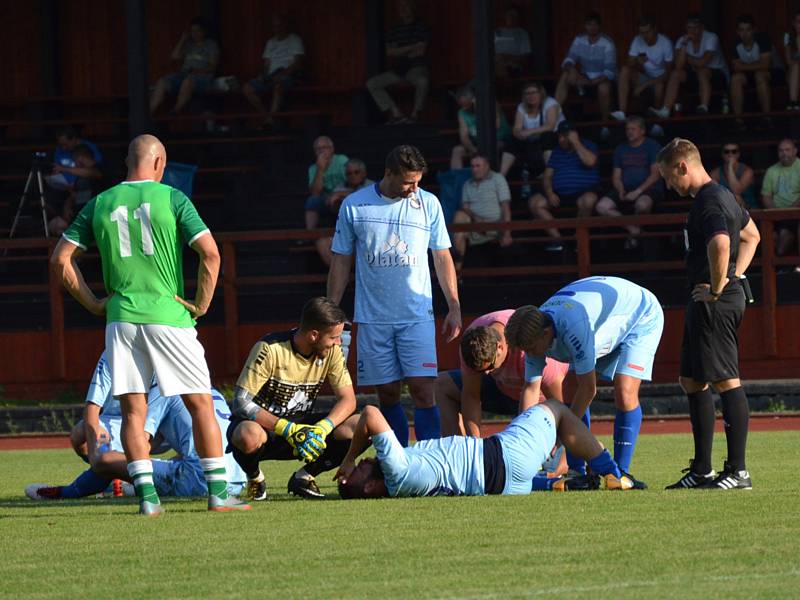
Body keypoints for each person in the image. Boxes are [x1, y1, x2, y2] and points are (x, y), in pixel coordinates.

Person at [50, 134, 248, 515]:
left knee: (133, 413)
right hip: (168, 316)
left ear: (128, 162)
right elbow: (210, 253)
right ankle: (219, 496)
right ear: (160, 163)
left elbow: (61, 260)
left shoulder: (99, 202)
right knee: (200, 404)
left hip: (121, 319)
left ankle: (147, 500)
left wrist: (93, 303)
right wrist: (201, 304)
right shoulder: (173, 198)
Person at [327, 145, 461, 446]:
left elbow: (442, 256)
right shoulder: (354, 205)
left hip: (417, 316)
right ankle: (397, 464)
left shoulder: (429, 203)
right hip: (373, 318)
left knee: (424, 391)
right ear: (389, 173)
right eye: (408, 182)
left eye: (418, 181)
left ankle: (430, 464)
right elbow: (340, 260)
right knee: (387, 393)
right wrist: (331, 312)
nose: (415, 189)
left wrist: (454, 305)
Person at [657, 138, 761, 490]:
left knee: (725, 379)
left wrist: (719, 286)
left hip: (714, 298)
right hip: (707, 296)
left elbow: (722, 242)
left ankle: (738, 471)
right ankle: (702, 470)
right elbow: (752, 235)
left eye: (669, 176)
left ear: (683, 166)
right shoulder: (722, 196)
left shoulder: (710, 200)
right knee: (691, 380)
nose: (669, 185)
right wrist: (736, 275)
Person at [504, 275, 665, 487]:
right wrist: (525, 438)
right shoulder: (535, 332)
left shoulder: (573, 327)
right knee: (570, 389)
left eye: (532, 349)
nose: (531, 354)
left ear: (546, 333)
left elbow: (589, 390)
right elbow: (531, 388)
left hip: (640, 315)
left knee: (624, 391)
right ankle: (577, 472)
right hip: (603, 322)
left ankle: (620, 473)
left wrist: (561, 435)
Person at [26, 354, 246, 500]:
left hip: (199, 481)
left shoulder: (164, 387)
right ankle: (128, 482)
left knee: (106, 460)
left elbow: (142, 442)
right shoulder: (201, 383)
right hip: (238, 480)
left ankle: (65, 493)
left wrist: (112, 462)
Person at [336, 401, 639, 498]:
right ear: (371, 487)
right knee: (555, 409)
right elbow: (371, 413)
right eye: (362, 468)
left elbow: (352, 426)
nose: (365, 460)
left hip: (508, 486)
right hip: (504, 457)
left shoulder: (398, 480)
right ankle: (612, 473)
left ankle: (554, 483)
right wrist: (349, 459)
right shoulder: (396, 472)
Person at [227, 297, 360, 500]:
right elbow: (241, 402)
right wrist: (288, 429)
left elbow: (348, 400)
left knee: (359, 424)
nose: (338, 342)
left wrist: (323, 427)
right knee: (247, 434)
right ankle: (255, 478)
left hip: (306, 431)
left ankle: (304, 477)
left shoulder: (332, 352)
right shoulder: (270, 348)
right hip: (267, 429)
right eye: (334, 337)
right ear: (314, 335)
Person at [436, 309, 570, 438]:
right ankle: (460, 454)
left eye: (491, 366)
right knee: (441, 385)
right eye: (480, 371)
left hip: (539, 398)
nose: (487, 373)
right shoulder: (471, 344)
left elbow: (561, 406)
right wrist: (475, 444)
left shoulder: (530, 347)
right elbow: (471, 395)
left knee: (551, 449)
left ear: (500, 347)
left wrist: (559, 451)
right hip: (502, 390)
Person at [528, 121, 600, 252]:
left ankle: (579, 239)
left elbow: (590, 162)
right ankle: (559, 240)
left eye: (565, 136)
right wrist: (550, 193)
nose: (561, 139)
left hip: (583, 191)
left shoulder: (588, 145)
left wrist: (576, 143)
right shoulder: (557, 151)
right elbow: (547, 176)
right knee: (535, 203)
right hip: (559, 193)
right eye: (559, 136)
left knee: (589, 201)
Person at [595, 116, 663, 249]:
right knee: (601, 207)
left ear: (642, 131)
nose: (629, 132)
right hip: (625, 189)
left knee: (642, 205)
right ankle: (634, 230)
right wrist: (620, 190)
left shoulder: (652, 145)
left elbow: (656, 174)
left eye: (633, 129)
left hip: (649, 189)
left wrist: (637, 192)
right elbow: (616, 176)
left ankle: (634, 238)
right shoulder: (621, 148)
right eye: (627, 129)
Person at [650, 14, 728, 118]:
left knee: (702, 70)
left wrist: (687, 57)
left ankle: (704, 107)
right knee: (676, 74)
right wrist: (684, 45)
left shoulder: (711, 37)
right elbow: (678, 66)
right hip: (697, 76)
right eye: (689, 28)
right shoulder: (682, 40)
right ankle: (665, 110)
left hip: (718, 76)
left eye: (695, 27)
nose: (692, 31)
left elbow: (703, 62)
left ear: (702, 27)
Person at [366, 0, 430, 124]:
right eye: (401, 7)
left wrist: (399, 50)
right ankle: (396, 113)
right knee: (372, 83)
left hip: (416, 68)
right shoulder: (395, 30)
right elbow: (390, 52)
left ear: (412, 7)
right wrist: (411, 47)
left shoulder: (421, 27)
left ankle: (415, 115)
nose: (403, 9)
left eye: (406, 6)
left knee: (423, 81)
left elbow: (420, 51)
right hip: (398, 70)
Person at [451, 155, 512, 276]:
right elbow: (465, 208)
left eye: (478, 166)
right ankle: (457, 273)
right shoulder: (467, 184)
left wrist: (507, 233)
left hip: (494, 226)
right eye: (472, 166)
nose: (474, 169)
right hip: (474, 226)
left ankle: (456, 272)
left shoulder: (497, 179)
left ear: (487, 166)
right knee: (459, 217)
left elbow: (506, 207)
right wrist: (476, 218)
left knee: (459, 227)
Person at [555, 12, 617, 131]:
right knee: (565, 74)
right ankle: (554, 114)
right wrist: (571, 68)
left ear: (599, 26)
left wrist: (589, 82)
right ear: (585, 26)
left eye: (595, 24)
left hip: (601, 80)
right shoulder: (579, 39)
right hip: (583, 78)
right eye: (589, 24)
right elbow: (568, 59)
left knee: (603, 88)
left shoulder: (607, 43)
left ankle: (605, 125)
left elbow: (610, 72)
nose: (592, 27)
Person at [241, 14, 304, 128]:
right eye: (275, 26)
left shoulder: (294, 39)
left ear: (285, 25)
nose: (277, 28)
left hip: (288, 74)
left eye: (279, 25)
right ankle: (266, 116)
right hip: (271, 76)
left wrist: (282, 74)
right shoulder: (270, 42)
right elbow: (266, 64)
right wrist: (262, 75)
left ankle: (270, 120)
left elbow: (297, 64)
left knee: (278, 86)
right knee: (247, 88)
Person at [149, 17, 220, 115]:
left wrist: (196, 71)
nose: (195, 33)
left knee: (188, 81)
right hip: (184, 75)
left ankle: (175, 111)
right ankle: (149, 113)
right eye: (192, 31)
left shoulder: (211, 45)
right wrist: (183, 39)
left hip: (202, 78)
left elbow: (213, 67)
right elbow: (174, 57)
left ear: (204, 31)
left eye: (197, 30)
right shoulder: (189, 45)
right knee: (162, 81)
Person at [612, 17, 674, 121]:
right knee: (625, 70)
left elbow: (668, 73)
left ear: (655, 29)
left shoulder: (665, 43)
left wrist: (644, 85)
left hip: (660, 79)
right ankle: (621, 112)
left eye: (647, 32)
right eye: (642, 32)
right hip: (644, 76)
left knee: (659, 86)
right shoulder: (637, 40)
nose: (645, 35)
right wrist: (636, 60)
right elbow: (629, 63)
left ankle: (658, 120)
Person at [315, 159, 374, 267]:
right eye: (349, 173)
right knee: (322, 243)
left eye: (356, 172)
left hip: (367, 232)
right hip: (345, 231)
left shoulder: (372, 186)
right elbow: (330, 202)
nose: (353, 175)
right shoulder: (340, 186)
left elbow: (366, 198)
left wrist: (342, 195)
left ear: (364, 173)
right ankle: (341, 275)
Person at [449, 87, 515, 176]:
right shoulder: (462, 112)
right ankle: (457, 180)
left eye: (467, 105)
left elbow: (495, 126)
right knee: (457, 150)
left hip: (498, 139)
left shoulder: (491, 104)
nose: (465, 108)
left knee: (496, 147)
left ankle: (496, 179)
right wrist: (473, 149)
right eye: (462, 105)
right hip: (477, 143)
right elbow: (464, 136)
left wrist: (478, 108)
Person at [511, 82, 565, 182]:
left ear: (541, 93)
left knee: (547, 136)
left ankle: (549, 173)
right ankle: (501, 175)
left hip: (554, 137)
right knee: (512, 141)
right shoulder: (521, 106)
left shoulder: (550, 102)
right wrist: (518, 134)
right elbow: (516, 129)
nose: (530, 96)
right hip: (532, 140)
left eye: (534, 92)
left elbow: (550, 126)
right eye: (527, 93)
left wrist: (528, 132)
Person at [48, 144, 104, 237]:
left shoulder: (99, 168)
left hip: (95, 215)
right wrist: (67, 205)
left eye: (75, 161)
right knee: (54, 225)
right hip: (78, 216)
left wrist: (63, 169)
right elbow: (74, 195)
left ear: (81, 158)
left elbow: (93, 174)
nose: (76, 165)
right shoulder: (79, 177)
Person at [729, 15, 774, 125]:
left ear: (754, 30)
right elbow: (736, 68)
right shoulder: (735, 43)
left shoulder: (763, 40)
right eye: (741, 30)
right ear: (737, 32)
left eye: (748, 29)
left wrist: (744, 66)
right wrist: (757, 65)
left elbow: (766, 65)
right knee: (735, 79)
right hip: (747, 76)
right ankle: (738, 121)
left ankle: (767, 118)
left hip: (771, 73)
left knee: (760, 75)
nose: (744, 33)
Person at [760, 138, 800, 258]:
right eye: (781, 150)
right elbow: (766, 196)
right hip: (776, 216)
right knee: (772, 237)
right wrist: (776, 213)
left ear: (795, 151)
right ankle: (779, 270)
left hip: (797, 214)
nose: (784, 153)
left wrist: (789, 212)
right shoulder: (771, 171)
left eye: (787, 150)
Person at [305, 136, 349, 231]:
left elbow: (352, 183)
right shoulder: (313, 168)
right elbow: (315, 193)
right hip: (325, 199)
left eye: (324, 147)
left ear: (332, 149)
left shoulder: (341, 160)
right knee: (311, 201)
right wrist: (320, 169)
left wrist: (337, 195)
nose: (321, 151)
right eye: (318, 149)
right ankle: (309, 234)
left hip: (343, 195)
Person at [710, 143, 758, 209]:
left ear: (738, 154)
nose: (730, 154)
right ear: (722, 154)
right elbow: (714, 194)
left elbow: (736, 190)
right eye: (726, 152)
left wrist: (730, 167)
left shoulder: (747, 171)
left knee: (736, 197)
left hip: (748, 208)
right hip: (724, 208)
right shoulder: (716, 173)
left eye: (734, 151)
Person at [494, 7, 531, 78]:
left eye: (514, 16)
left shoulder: (522, 33)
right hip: (496, 63)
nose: (511, 18)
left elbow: (525, 57)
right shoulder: (497, 32)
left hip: (513, 66)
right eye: (509, 15)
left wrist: (508, 57)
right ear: (505, 17)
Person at [784, 12, 800, 110]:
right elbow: (788, 61)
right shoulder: (788, 36)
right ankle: (793, 102)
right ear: (793, 23)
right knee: (796, 66)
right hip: (792, 72)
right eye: (799, 22)